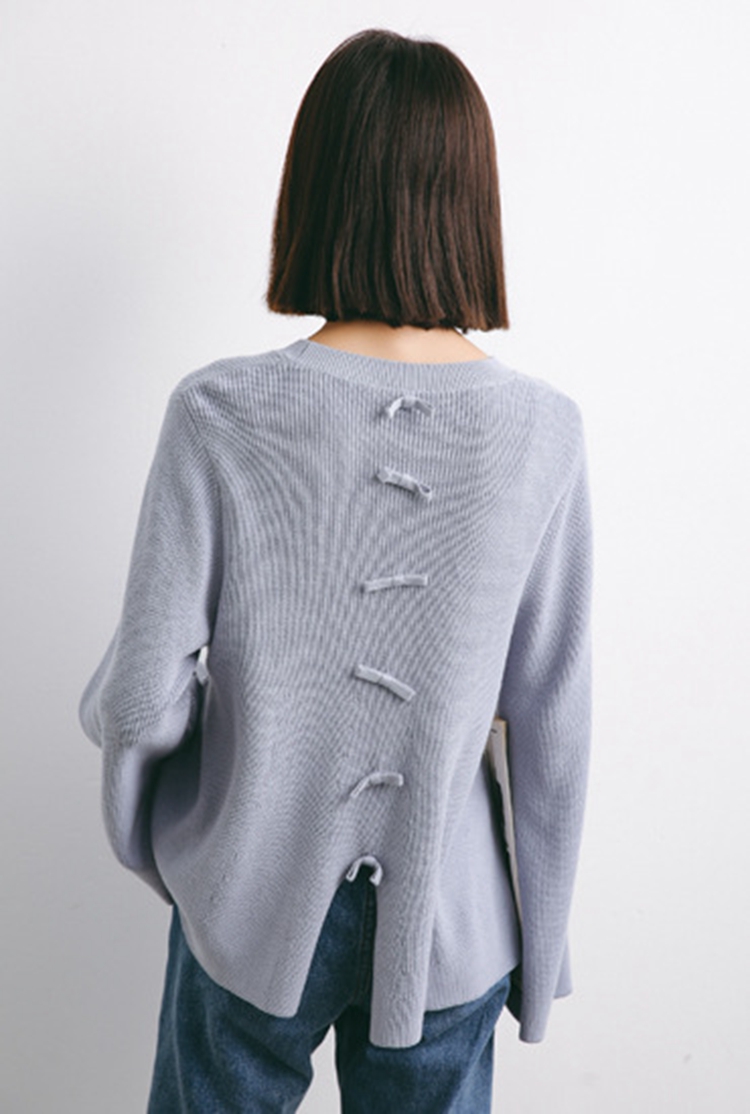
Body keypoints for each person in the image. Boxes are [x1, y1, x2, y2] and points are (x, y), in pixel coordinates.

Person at [79, 27, 593, 1114]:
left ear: (313, 188)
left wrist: (170, 852)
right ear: (472, 206)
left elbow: (139, 697)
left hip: (249, 891)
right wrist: (540, 951)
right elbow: (552, 725)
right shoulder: (544, 435)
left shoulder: (219, 412)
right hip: (452, 926)